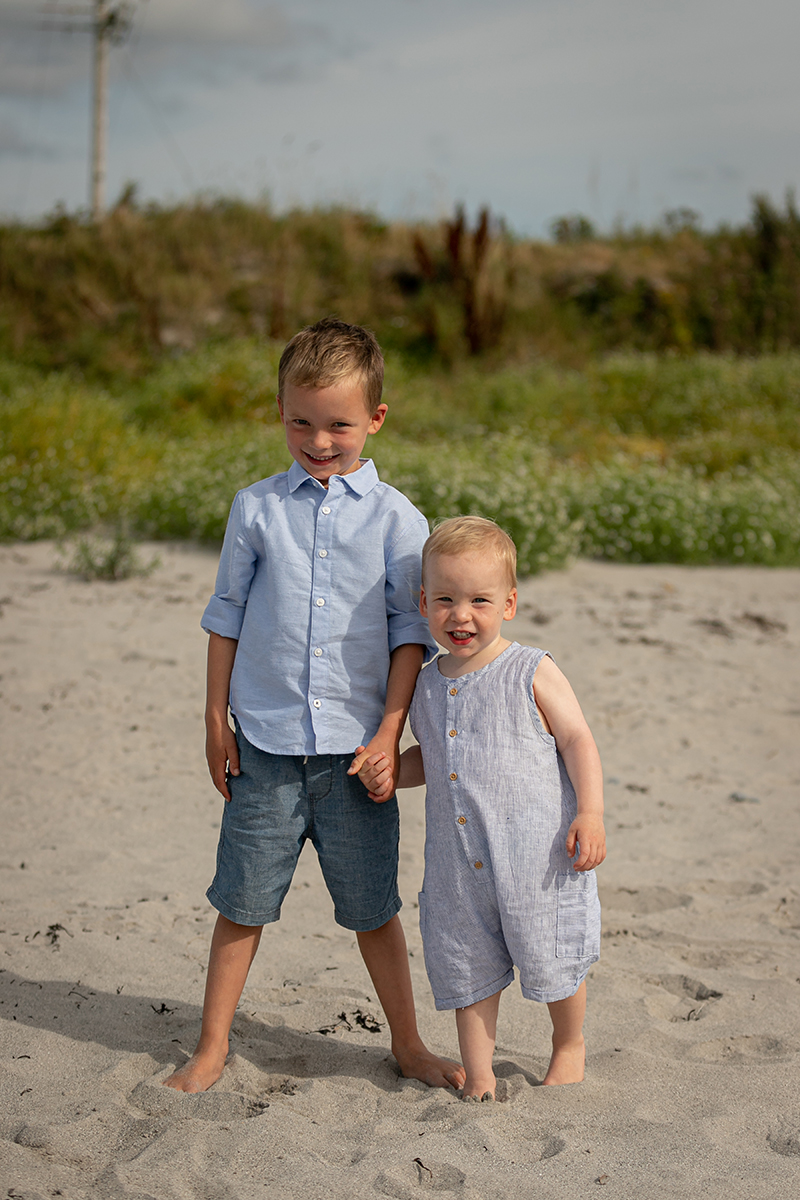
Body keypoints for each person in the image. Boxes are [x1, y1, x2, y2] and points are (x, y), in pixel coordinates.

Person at [164, 318, 465, 1094]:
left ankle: (407, 1044)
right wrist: (214, 721)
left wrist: (389, 734)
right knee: (241, 904)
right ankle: (210, 1046)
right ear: (279, 413)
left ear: (375, 419)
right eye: (301, 420)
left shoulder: (401, 520)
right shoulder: (255, 509)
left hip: (357, 758)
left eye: (338, 423)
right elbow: (225, 616)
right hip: (262, 748)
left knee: (373, 912)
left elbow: (410, 636)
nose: (319, 439)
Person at [352, 516, 605, 1100]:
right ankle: (482, 1072)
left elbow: (577, 740)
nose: (460, 615)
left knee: (552, 951)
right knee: (466, 964)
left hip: (537, 857)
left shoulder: (530, 668)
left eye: (479, 600)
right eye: (444, 599)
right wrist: (391, 773)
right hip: (457, 863)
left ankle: (568, 1044)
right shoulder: (424, 681)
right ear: (423, 602)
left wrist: (589, 813)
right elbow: (433, 757)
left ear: (509, 603)